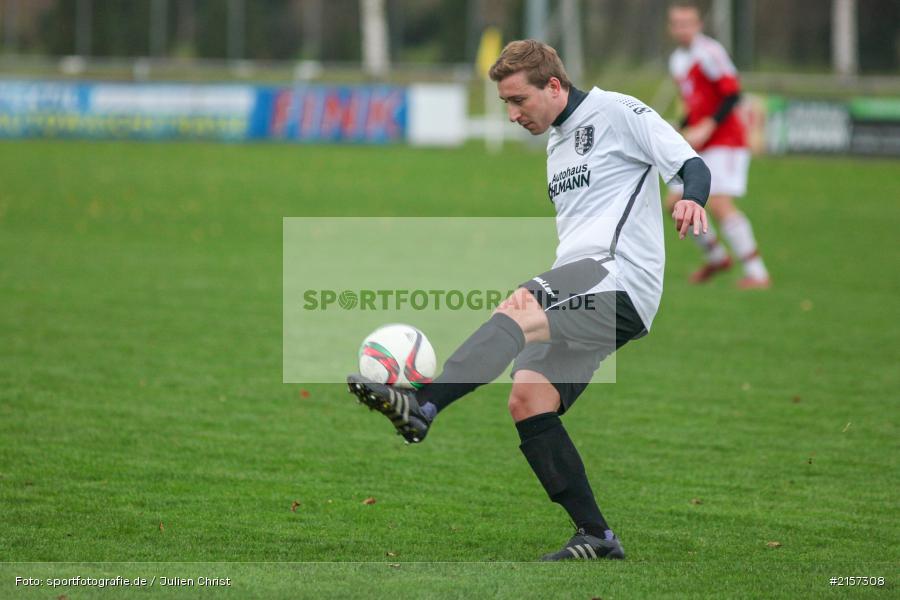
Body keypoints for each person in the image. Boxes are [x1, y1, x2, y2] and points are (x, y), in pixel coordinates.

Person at [348, 40, 710, 561]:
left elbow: (690, 164)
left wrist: (691, 198)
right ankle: (596, 535)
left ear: (555, 86)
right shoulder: (557, 145)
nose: (513, 114)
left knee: (517, 309)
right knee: (528, 400)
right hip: (583, 279)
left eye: (519, 100)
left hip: (616, 276)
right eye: (506, 104)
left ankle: (424, 404)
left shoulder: (618, 111)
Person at [666, 1, 771, 288]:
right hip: (700, 142)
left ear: (698, 25)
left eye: (688, 23)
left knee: (719, 202)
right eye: (677, 24)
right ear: (671, 28)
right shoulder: (677, 60)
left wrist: (707, 126)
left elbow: (733, 94)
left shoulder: (710, 52)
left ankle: (757, 273)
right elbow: (694, 104)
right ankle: (716, 257)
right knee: (675, 203)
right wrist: (683, 126)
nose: (683, 29)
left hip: (726, 140)